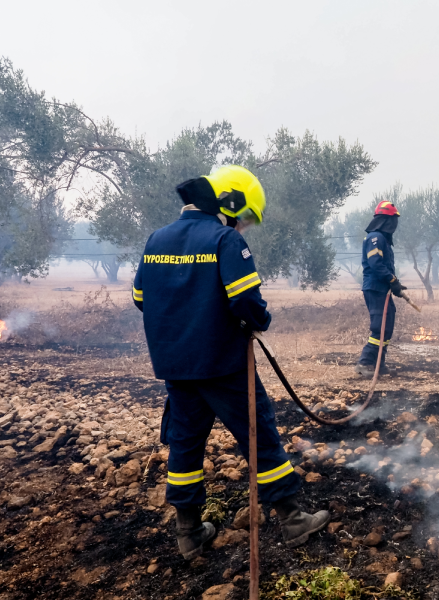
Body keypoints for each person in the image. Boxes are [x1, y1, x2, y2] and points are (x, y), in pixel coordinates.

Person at [131, 165, 329, 560]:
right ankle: (292, 520)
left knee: (185, 443)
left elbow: (140, 298)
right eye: (246, 219)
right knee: (260, 435)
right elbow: (246, 301)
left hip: (176, 366)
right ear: (231, 204)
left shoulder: (156, 239)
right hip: (223, 363)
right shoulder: (224, 240)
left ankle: (188, 532)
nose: (244, 229)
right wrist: (257, 322)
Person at [355, 200, 408, 377]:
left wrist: (395, 285)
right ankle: (365, 363)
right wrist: (392, 280)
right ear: (385, 220)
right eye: (393, 220)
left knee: (388, 325)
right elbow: (376, 264)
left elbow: (384, 266)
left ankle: (379, 364)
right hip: (375, 288)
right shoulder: (375, 238)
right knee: (379, 327)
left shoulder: (383, 239)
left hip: (382, 289)